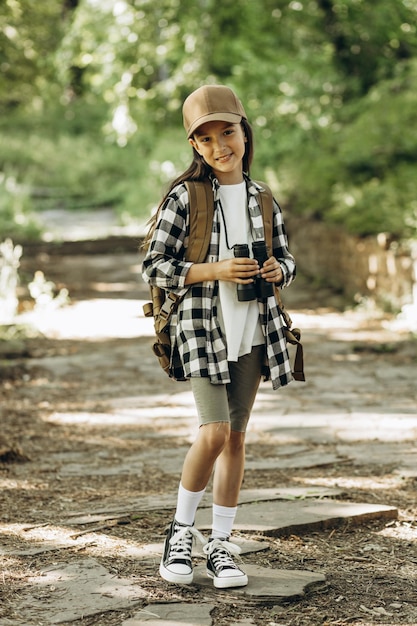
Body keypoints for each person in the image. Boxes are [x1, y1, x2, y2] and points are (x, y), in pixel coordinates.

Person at [142, 84, 296, 589]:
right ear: (195, 146)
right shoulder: (185, 197)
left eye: (226, 132)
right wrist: (214, 270)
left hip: (252, 328)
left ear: (244, 133)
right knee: (212, 432)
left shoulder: (263, 198)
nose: (219, 145)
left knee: (235, 438)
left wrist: (278, 271)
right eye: (205, 138)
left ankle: (222, 546)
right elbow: (155, 265)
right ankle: (179, 533)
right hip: (202, 327)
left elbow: (288, 258)